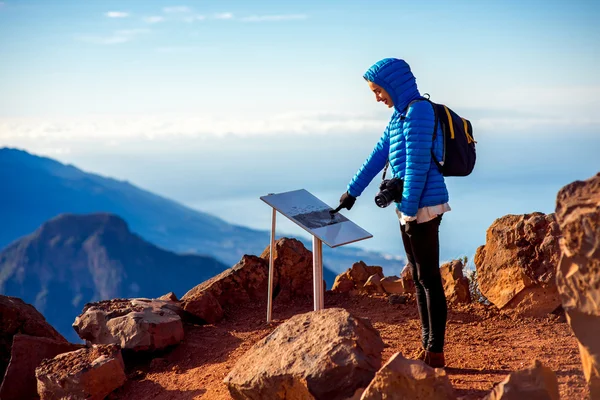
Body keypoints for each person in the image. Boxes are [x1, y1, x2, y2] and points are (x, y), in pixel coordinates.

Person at [336, 58, 450, 368]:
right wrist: (352, 192)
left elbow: (417, 167)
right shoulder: (399, 118)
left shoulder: (419, 112)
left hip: (424, 206)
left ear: (392, 85)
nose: (377, 98)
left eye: (378, 91)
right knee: (417, 276)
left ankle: (435, 351)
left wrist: (411, 212)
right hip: (408, 207)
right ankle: (427, 348)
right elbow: (376, 157)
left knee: (428, 278)